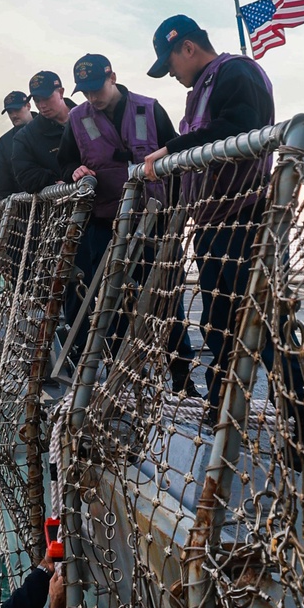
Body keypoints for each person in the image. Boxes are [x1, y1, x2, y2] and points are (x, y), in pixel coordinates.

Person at [142, 15, 276, 418]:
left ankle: (299, 420)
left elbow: (240, 126)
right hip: (211, 224)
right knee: (217, 323)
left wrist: (173, 148)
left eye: (170, 65)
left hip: (244, 218)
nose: (172, 75)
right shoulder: (200, 90)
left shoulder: (237, 72)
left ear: (187, 47)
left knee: (264, 323)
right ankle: (222, 407)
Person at [56, 54, 195, 389]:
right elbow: (65, 163)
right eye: (85, 92)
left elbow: (174, 157)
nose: (92, 97)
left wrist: (177, 215)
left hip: (154, 219)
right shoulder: (76, 119)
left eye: (96, 88)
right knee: (109, 297)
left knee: (165, 297)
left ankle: (182, 378)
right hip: (105, 222)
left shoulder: (150, 107)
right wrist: (73, 172)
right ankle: (121, 375)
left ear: (112, 77)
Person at [10, 72, 75, 194]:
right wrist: (55, 183)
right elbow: (25, 175)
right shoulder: (25, 137)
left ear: (61, 92)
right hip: (61, 208)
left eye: (46, 98)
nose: (42, 105)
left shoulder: (88, 116)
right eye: (37, 100)